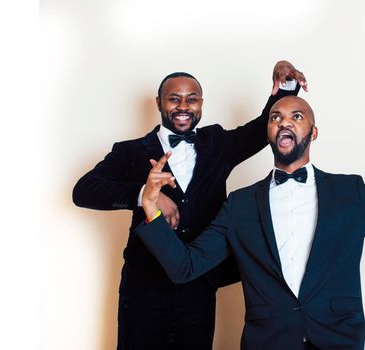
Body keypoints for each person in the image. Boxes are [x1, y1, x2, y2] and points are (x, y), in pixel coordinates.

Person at [72, 61, 308, 350]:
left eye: (191, 99)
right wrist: (144, 194)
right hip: (144, 285)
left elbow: (262, 129)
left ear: (201, 104)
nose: (183, 106)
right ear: (159, 102)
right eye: (174, 98)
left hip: (199, 284)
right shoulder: (130, 151)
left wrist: (284, 87)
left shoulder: (218, 143)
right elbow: (83, 190)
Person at [136, 95, 365, 350]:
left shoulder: (352, 191)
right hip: (268, 341)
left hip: (339, 338)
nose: (283, 122)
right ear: (268, 133)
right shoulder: (240, 204)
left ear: (314, 133)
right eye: (275, 117)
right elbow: (184, 267)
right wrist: (149, 206)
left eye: (296, 117)